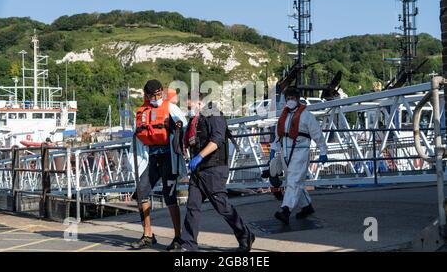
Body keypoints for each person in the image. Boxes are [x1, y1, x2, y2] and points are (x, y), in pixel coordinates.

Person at [178, 95, 255, 252]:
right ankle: (188, 245)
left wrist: (200, 156)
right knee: (192, 206)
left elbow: (217, 139)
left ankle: (245, 235)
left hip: (213, 168)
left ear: (198, 101)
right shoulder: (198, 118)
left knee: (222, 205)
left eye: (189, 106)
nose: (188, 110)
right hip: (199, 170)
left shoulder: (214, 114)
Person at [129, 80, 188, 250]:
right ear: (146, 95)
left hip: (169, 158)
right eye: (152, 95)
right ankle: (148, 235)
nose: (156, 98)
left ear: (162, 92)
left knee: (169, 196)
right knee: (141, 193)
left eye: (158, 94)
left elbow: (182, 127)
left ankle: (178, 237)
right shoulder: (142, 112)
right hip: (151, 159)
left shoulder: (171, 109)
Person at [271, 86, 328, 225]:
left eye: (293, 98)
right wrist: (273, 150)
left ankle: (286, 210)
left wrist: (323, 151)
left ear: (298, 99)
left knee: (293, 181)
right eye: (288, 99)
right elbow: (278, 135)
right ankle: (306, 207)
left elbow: (317, 133)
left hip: (300, 152)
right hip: (285, 153)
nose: (290, 101)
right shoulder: (283, 117)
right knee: (295, 182)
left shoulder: (306, 115)